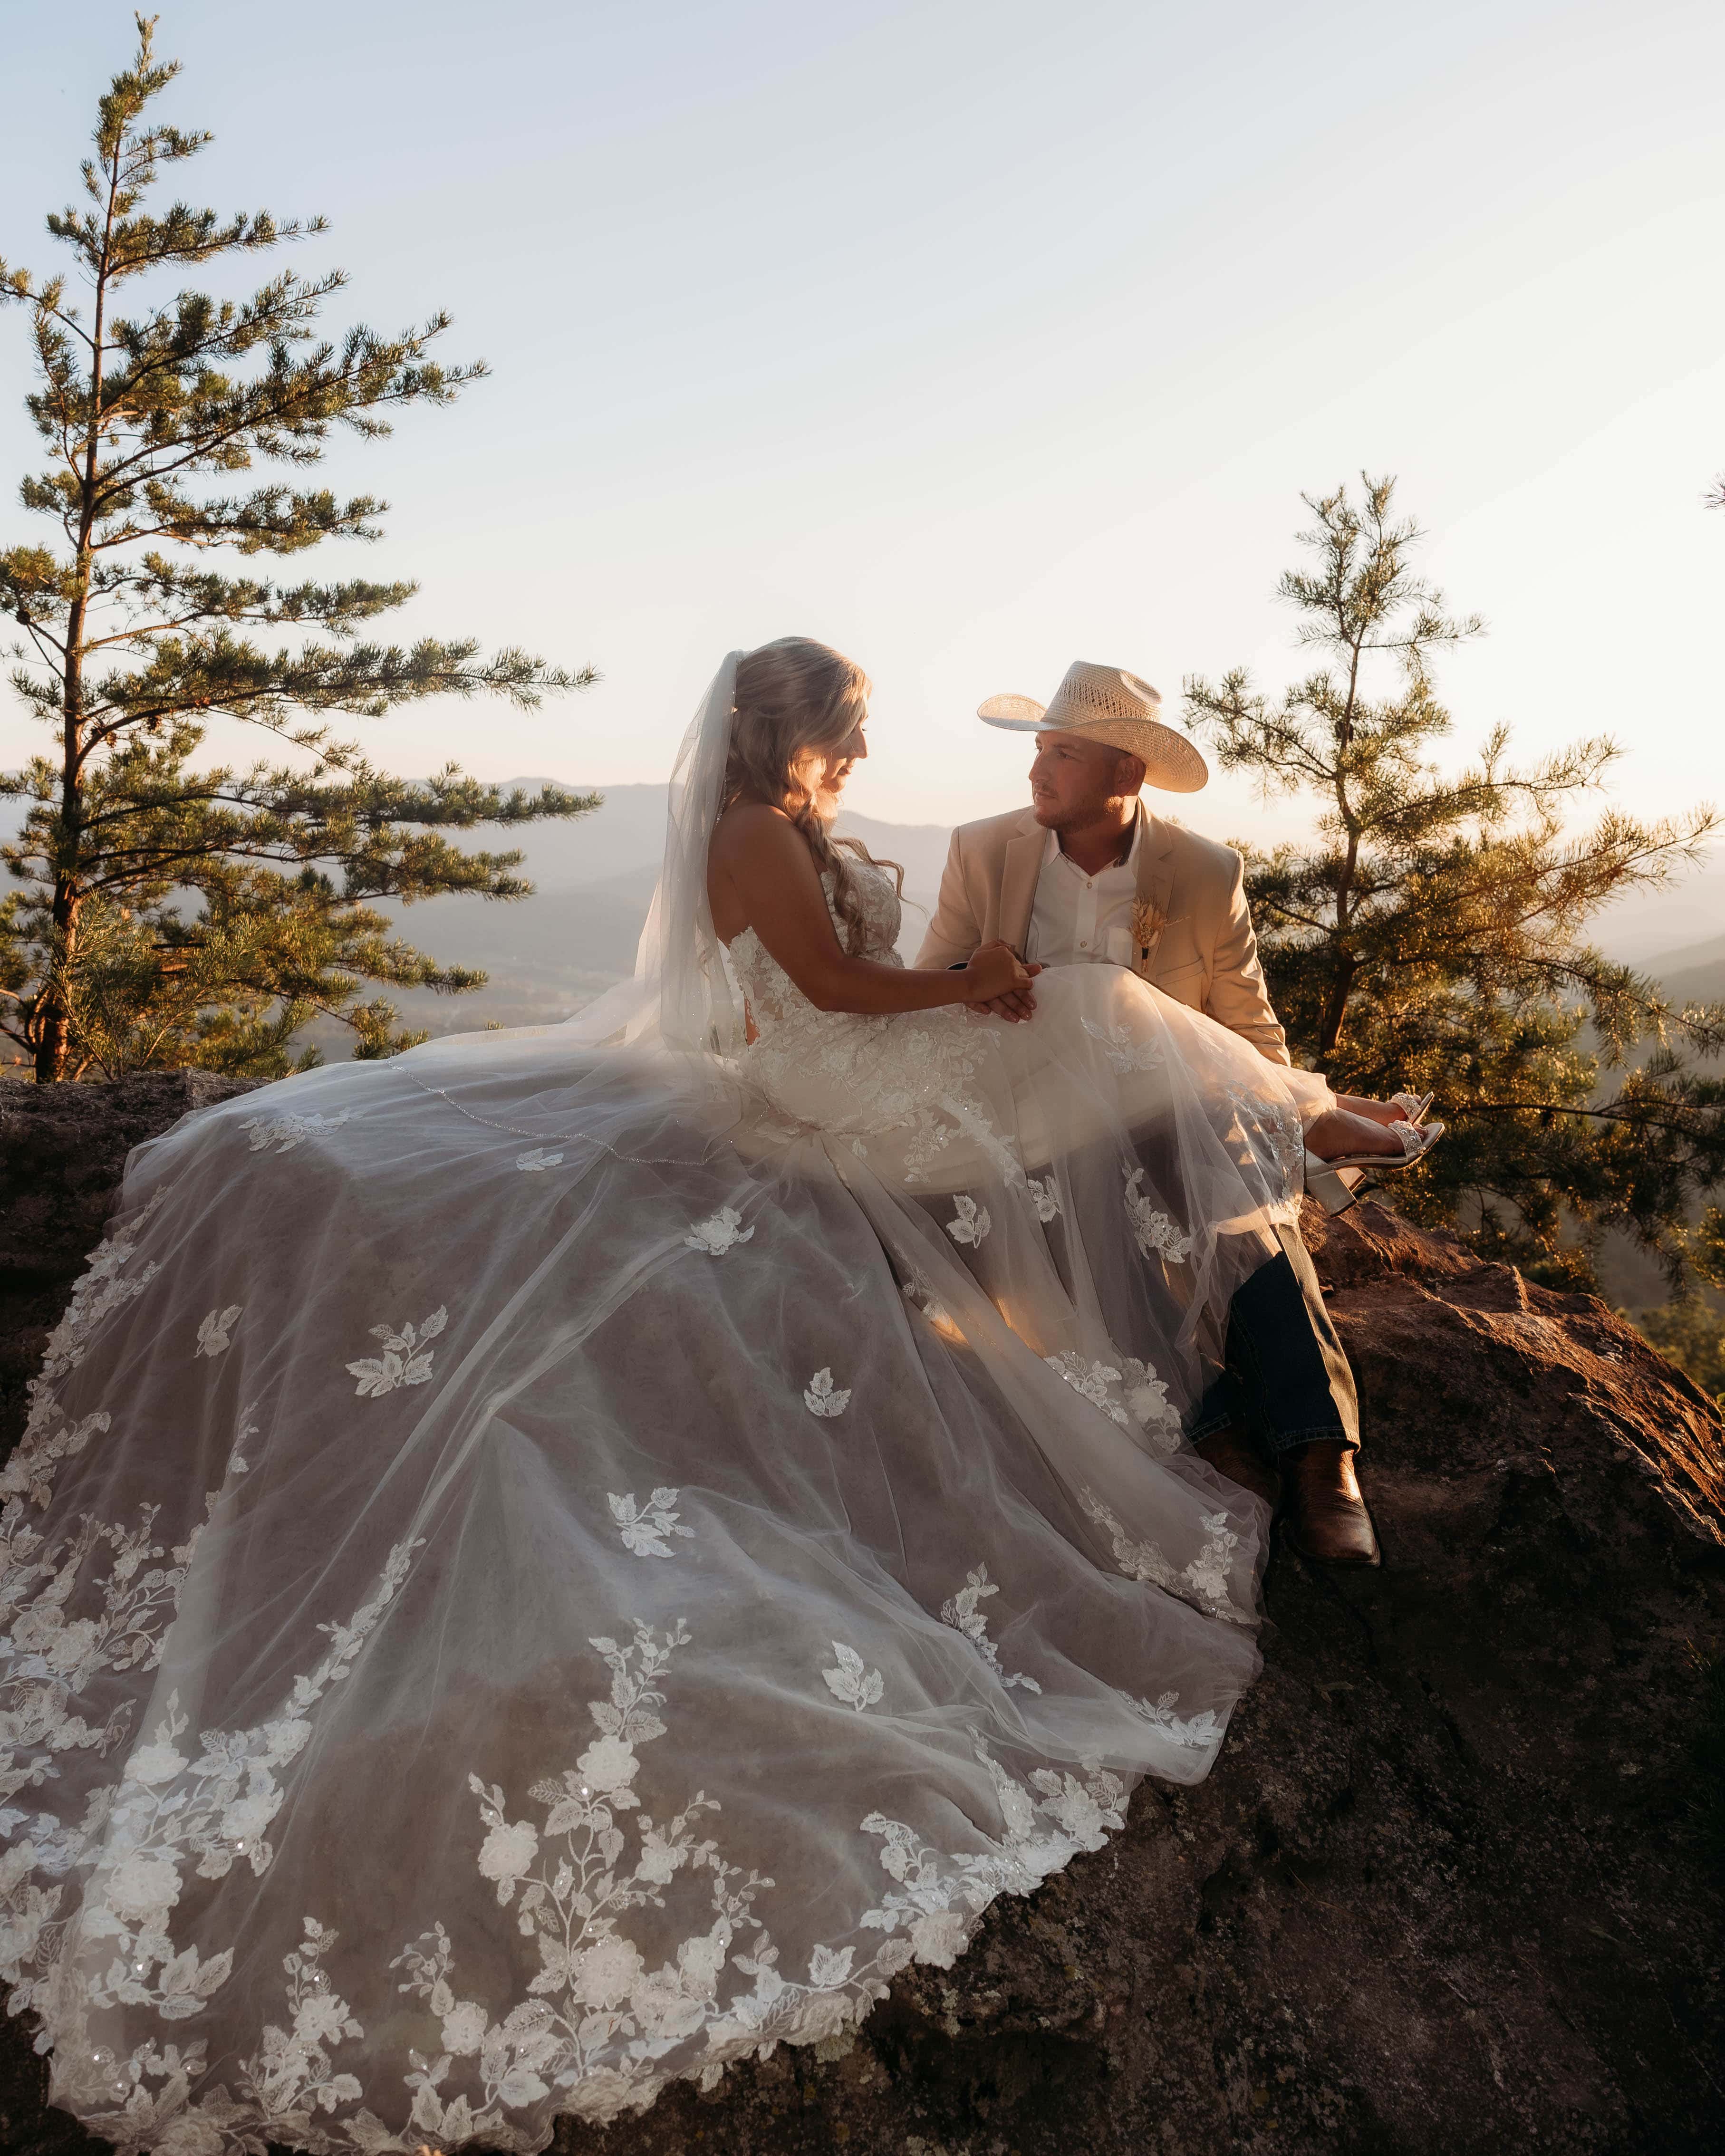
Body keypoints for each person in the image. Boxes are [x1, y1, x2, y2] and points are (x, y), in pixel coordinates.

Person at [0, 641, 1433, 2155]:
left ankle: (1302, 1141)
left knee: (1104, 1017)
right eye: (856, 733)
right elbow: (823, 987)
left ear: (1117, 771)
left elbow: (847, 973)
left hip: (850, 1059)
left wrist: (977, 995)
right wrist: (973, 984)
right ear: (802, 732)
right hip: (830, 1083)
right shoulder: (765, 830)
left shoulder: (823, 830)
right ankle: (1336, 1134)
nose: (871, 759)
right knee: (1094, 1011)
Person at [916, 661, 1439, 1563]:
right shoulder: (982, 849)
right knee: (1103, 1215)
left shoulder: (1201, 870)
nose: (1035, 772)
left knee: (1246, 1214)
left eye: (1062, 754)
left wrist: (1278, 1111)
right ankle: (1218, 1433)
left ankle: (1322, 1463)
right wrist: (977, 988)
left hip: (1169, 1115)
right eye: (1037, 751)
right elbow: (928, 991)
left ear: (1126, 774)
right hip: (1031, 1126)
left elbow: (1247, 1033)